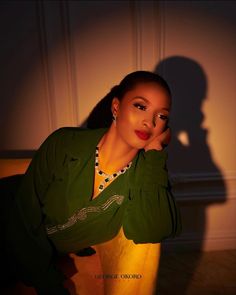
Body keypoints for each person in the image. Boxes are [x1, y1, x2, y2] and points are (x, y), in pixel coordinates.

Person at [2, 71, 181, 294]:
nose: (150, 122)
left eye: (162, 116)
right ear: (116, 107)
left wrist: (155, 153)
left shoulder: (142, 176)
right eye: (141, 107)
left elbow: (153, 231)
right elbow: (22, 219)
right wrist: (50, 284)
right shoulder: (65, 144)